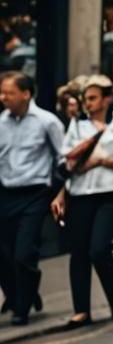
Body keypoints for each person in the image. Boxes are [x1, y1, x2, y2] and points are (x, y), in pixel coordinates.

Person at [50, 76, 113, 330]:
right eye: (85, 98)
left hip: (112, 194)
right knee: (78, 252)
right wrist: (61, 194)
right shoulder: (76, 126)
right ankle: (81, 311)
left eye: (93, 98)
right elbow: (68, 164)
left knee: (99, 249)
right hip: (80, 195)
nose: (87, 103)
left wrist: (102, 161)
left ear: (106, 99)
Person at [0, 72, 62, 326]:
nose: (2, 97)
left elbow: (63, 158)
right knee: (3, 254)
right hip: (4, 193)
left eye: (8, 93)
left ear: (26, 94)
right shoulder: (0, 122)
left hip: (34, 194)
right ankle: (25, 293)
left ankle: (21, 308)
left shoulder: (48, 122)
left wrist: (60, 192)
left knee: (24, 253)